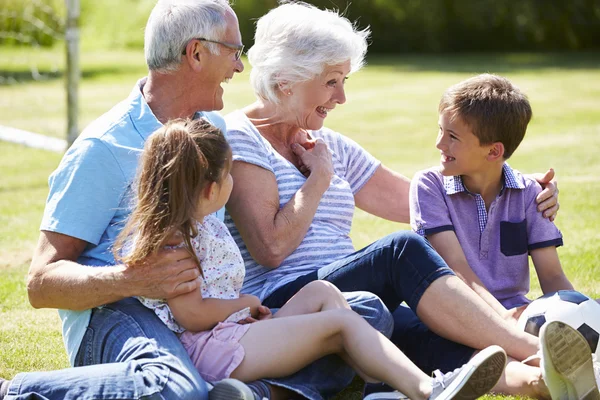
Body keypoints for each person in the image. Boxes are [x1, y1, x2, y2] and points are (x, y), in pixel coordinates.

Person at [222, 2, 561, 399]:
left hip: (349, 298)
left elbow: (421, 202)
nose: (343, 97)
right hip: (282, 305)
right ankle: (536, 349)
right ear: (287, 80)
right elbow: (272, 248)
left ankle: (541, 381)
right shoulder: (240, 139)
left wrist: (516, 190)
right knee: (401, 251)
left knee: (423, 329)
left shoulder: (328, 143)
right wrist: (319, 180)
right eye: (332, 81)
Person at [114, 117, 509, 400]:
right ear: (209, 188)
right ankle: (425, 388)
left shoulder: (200, 225)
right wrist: (245, 304)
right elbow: (190, 315)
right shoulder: (173, 243)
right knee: (339, 322)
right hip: (213, 347)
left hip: (229, 333)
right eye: (228, 175)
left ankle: (375, 376)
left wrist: (243, 309)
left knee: (322, 291)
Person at [1, 1, 250, 399]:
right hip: (119, 310)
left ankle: (249, 391)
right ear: (197, 53)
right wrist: (132, 279)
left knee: (356, 313)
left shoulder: (214, 131)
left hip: (198, 309)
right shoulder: (104, 147)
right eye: (235, 51)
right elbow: (40, 284)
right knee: (172, 388)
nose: (239, 66)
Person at [408, 73, 599, 399]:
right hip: (452, 313)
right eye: (440, 131)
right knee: (494, 357)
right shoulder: (429, 186)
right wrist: (503, 319)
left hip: (518, 316)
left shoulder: (529, 194)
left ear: (494, 151)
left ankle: (578, 375)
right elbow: (458, 271)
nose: (439, 144)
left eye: (452, 136)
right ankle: (552, 382)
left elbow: (552, 277)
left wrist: (585, 317)